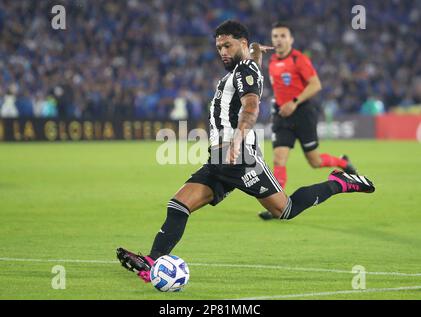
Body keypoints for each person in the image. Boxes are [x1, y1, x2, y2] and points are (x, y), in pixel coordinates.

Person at [116, 20, 375, 284]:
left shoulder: (245, 69)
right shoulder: (243, 69)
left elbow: (251, 106)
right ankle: (152, 261)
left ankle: (339, 183)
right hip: (219, 159)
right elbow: (253, 71)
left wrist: (238, 138)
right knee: (179, 205)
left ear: (240, 43)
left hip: (240, 158)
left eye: (227, 45)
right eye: (218, 47)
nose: (222, 51)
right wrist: (256, 50)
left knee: (285, 210)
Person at [258, 22, 359, 220]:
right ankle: (278, 205)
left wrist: (294, 102)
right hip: (281, 116)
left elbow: (316, 85)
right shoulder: (271, 62)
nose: (278, 39)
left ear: (291, 39)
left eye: (283, 36)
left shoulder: (299, 59)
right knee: (279, 159)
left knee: (315, 161)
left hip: (303, 113)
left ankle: (342, 162)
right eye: (275, 36)